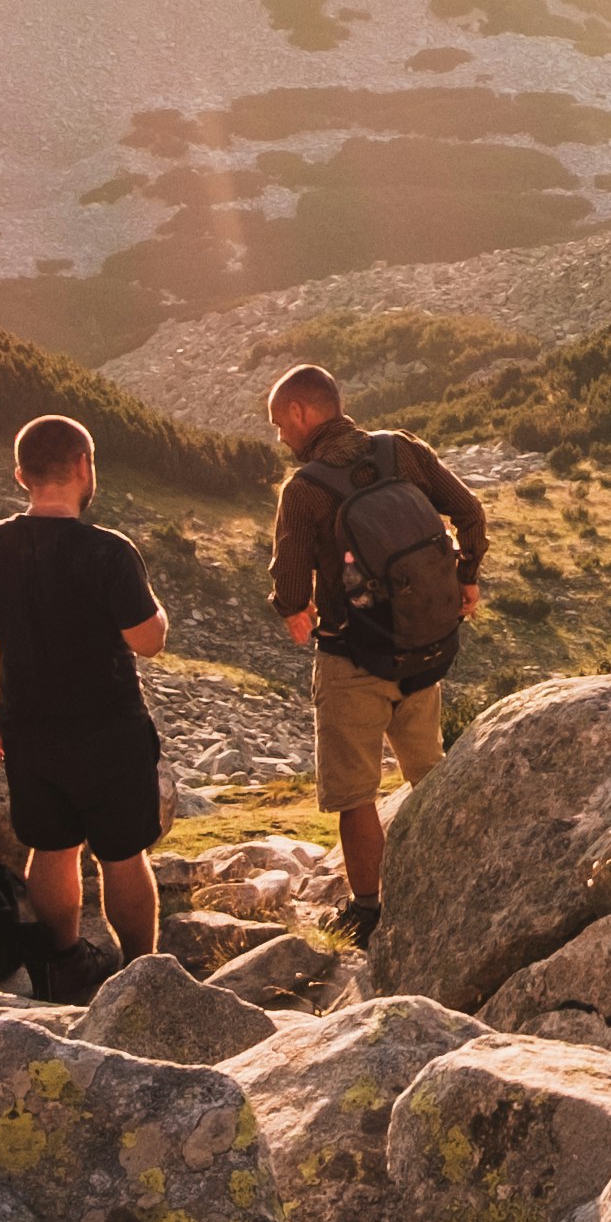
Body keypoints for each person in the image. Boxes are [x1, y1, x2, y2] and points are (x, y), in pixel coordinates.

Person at [0, 413, 173, 992]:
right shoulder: (109, 552)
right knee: (121, 855)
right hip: (109, 729)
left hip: (29, 728)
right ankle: (140, 971)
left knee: (50, 846)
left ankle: (64, 961)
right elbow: (149, 642)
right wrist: (157, 611)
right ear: (82, 467)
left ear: (22, 475)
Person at [264, 363, 488, 945]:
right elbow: (469, 512)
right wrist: (467, 576)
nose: (281, 439)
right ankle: (454, 880)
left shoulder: (306, 488)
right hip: (423, 645)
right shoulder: (401, 451)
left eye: (279, 426)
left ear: (301, 414)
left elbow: (289, 581)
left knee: (355, 794)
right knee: (428, 773)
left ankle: (368, 912)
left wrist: (295, 610)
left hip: (352, 657)